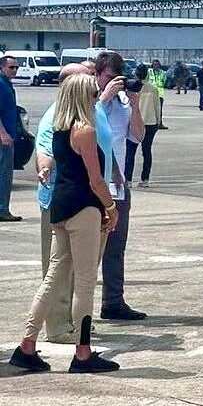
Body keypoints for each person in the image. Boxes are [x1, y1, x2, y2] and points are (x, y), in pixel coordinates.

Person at [8, 73, 121, 373]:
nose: (97, 96)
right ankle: (82, 353)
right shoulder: (84, 131)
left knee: (54, 277)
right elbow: (96, 180)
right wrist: (111, 207)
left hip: (60, 206)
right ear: (83, 96)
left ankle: (27, 344)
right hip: (84, 208)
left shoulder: (60, 129)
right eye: (93, 92)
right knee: (84, 282)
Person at [33, 62, 94, 344]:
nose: (93, 84)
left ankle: (33, 338)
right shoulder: (57, 118)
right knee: (66, 273)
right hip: (68, 202)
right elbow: (44, 151)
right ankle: (59, 328)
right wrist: (108, 205)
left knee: (65, 270)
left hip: (74, 201)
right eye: (87, 78)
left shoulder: (85, 114)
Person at [96, 52, 147, 321]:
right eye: (108, 78)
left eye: (118, 79)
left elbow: (137, 136)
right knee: (87, 249)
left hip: (118, 185)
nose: (114, 83)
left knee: (116, 247)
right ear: (97, 76)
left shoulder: (125, 103)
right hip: (93, 183)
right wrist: (104, 97)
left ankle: (113, 301)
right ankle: (74, 308)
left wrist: (135, 104)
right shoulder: (92, 99)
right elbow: (89, 125)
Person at [129, 64, 160, 188]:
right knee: (147, 151)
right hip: (150, 121)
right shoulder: (153, 88)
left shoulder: (133, 88)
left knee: (131, 151)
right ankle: (145, 178)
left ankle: (128, 179)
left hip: (136, 121)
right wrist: (158, 120)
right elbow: (157, 106)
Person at [0, 54, 22, 221]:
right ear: (2, 67)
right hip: (3, 138)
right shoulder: (1, 84)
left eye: (16, 67)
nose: (14, 70)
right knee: (5, 173)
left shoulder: (7, 84)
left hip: (9, 135)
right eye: (11, 67)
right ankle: (2, 209)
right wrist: (3, 133)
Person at [145, 60, 167, 130]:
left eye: (157, 64)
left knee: (159, 109)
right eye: (154, 64)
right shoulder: (149, 72)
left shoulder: (163, 73)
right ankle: (149, 123)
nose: (156, 66)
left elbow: (164, 81)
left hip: (160, 93)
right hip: (150, 93)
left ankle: (159, 123)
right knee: (149, 109)